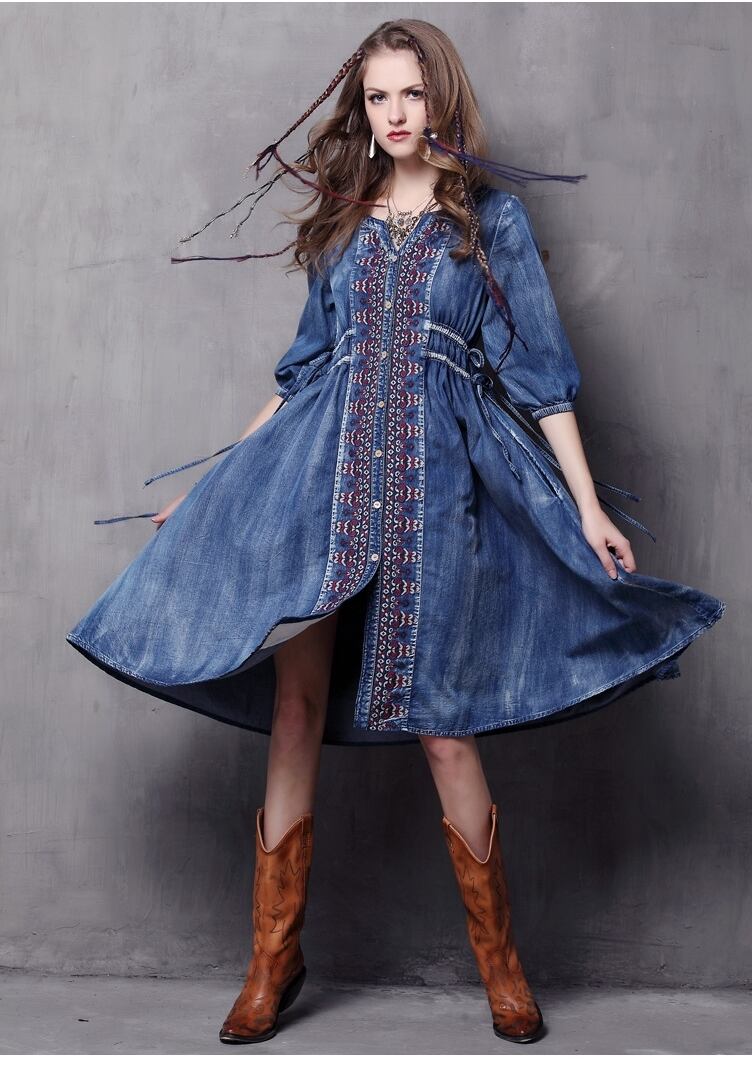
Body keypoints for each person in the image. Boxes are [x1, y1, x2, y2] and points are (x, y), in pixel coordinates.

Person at [66, 19, 726, 1047]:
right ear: (362, 112)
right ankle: (271, 962)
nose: (396, 113)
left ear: (440, 100)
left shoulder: (489, 222)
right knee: (295, 709)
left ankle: (501, 966)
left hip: (436, 491)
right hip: (318, 490)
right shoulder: (344, 224)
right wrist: (218, 483)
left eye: (412, 93)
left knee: (442, 720)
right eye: (378, 97)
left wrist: (588, 506)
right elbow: (303, 376)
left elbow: (541, 375)